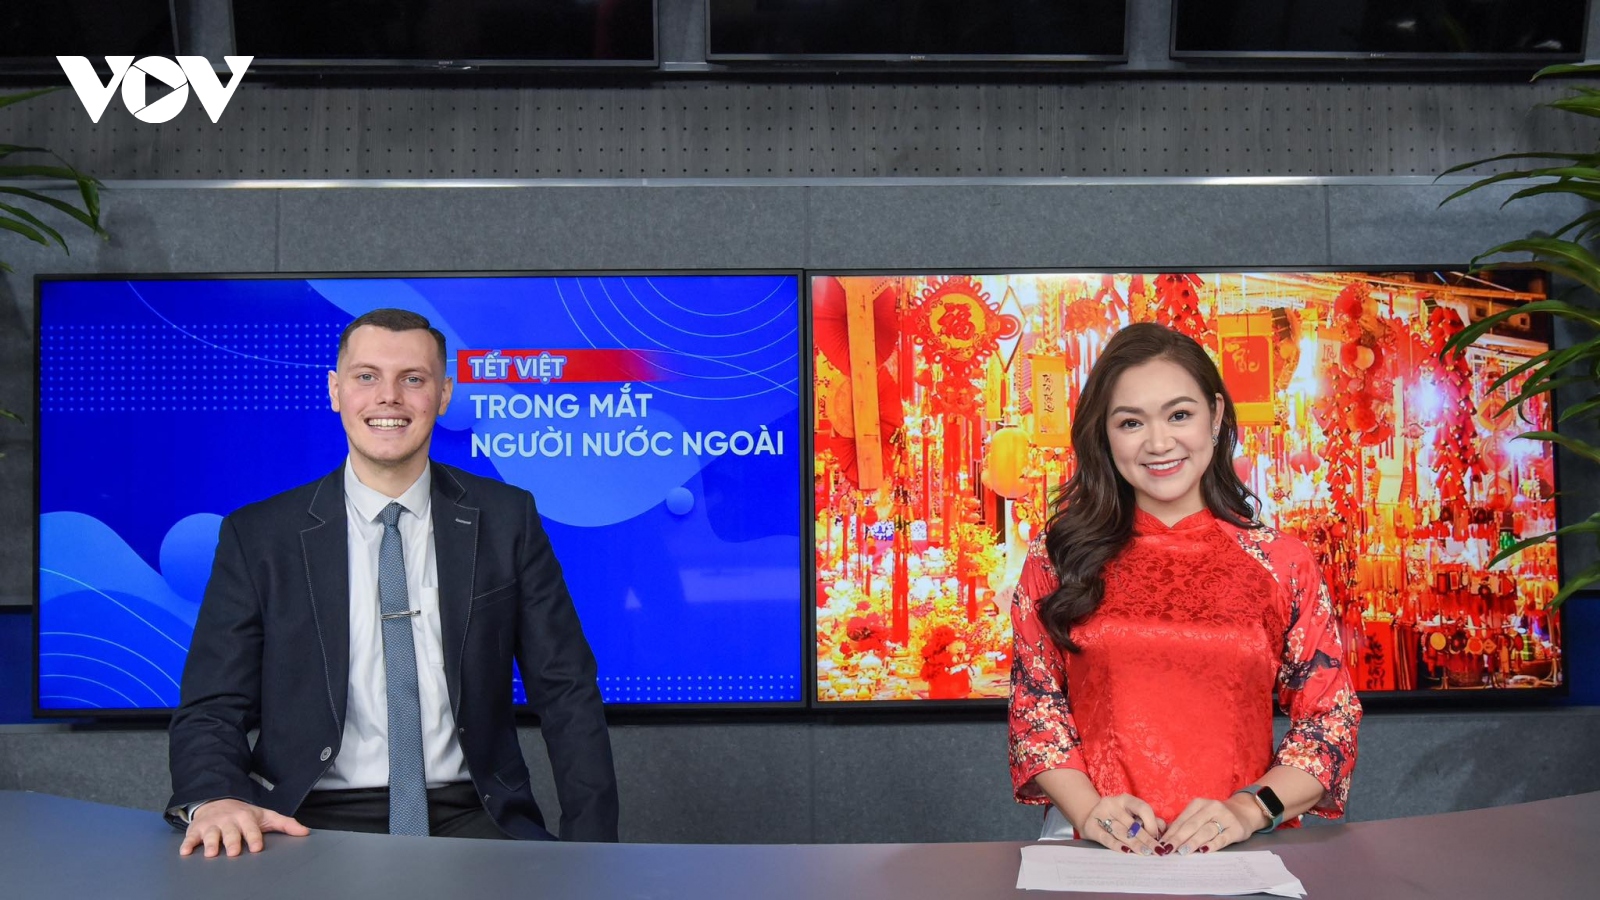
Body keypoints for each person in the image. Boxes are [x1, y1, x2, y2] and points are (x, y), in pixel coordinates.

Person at [167, 308, 618, 857]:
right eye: (367, 376)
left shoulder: (507, 519)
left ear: (443, 395)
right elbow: (213, 705)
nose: (389, 397)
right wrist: (215, 797)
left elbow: (566, 690)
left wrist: (595, 852)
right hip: (306, 818)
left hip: (474, 815)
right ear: (335, 391)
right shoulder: (258, 536)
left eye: (413, 379)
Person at [1009, 322, 1360, 856]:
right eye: (1131, 422)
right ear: (1105, 434)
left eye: (1179, 415)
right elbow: (1036, 708)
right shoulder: (1060, 559)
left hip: (1239, 854)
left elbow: (1330, 719)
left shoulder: (1283, 564)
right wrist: (1089, 811)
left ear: (1215, 416)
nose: (1158, 443)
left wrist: (1248, 810)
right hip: (1101, 850)